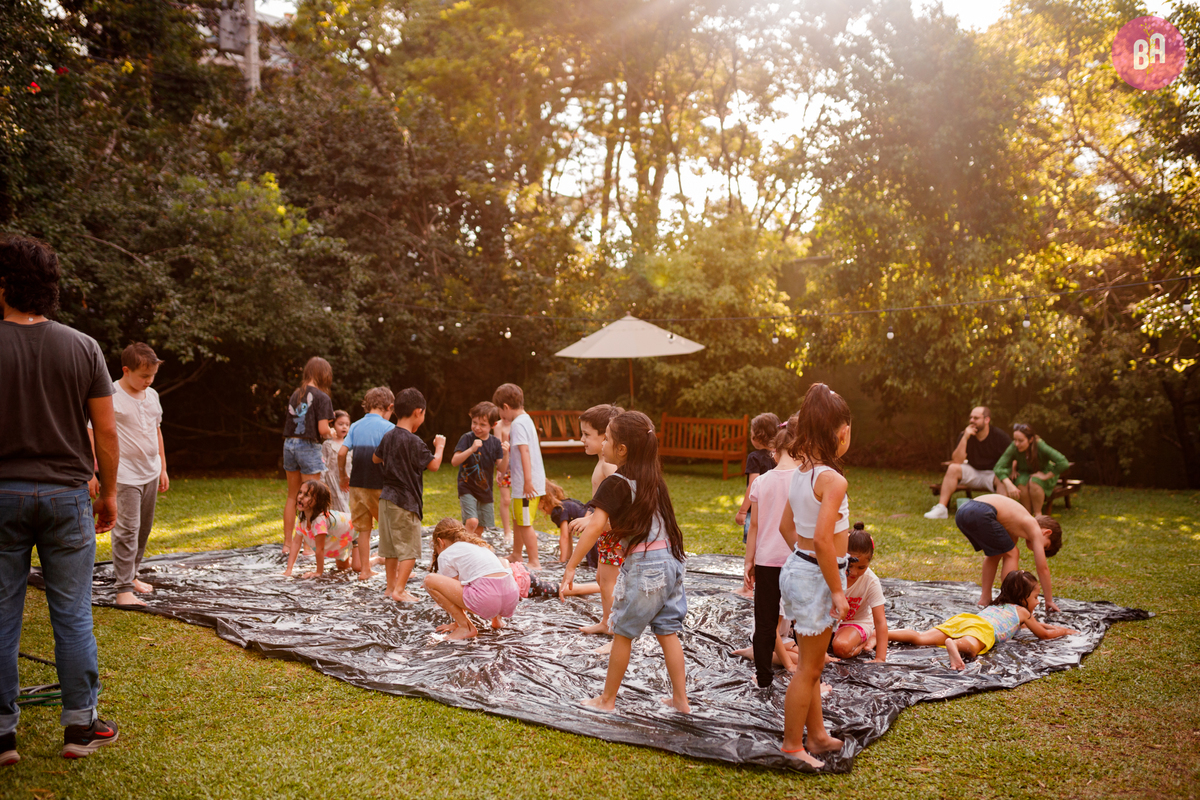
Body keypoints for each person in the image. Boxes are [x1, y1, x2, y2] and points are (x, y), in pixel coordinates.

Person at [0, 234, 119, 762]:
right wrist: (109, 492)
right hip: (69, 495)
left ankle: (3, 735)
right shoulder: (83, 346)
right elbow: (108, 433)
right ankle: (80, 728)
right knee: (72, 614)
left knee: (2, 615)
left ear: (4, 284)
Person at [560, 411, 691, 714]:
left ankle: (606, 701)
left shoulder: (615, 481)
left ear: (622, 450)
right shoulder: (652, 479)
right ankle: (681, 701)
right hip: (671, 561)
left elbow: (595, 527)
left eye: (607, 437)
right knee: (667, 631)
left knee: (622, 633)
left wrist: (570, 567)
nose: (603, 443)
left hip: (646, 567)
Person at [776, 383, 854, 769]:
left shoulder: (801, 474)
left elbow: (786, 528)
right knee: (808, 668)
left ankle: (818, 735)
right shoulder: (833, 480)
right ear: (841, 432)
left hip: (799, 568)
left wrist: (803, 561)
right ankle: (793, 745)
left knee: (813, 660)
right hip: (817, 576)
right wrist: (836, 589)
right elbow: (824, 540)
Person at [86, 342, 169, 609]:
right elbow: (92, 433)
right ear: (126, 370)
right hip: (123, 475)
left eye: (152, 376)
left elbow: (156, 432)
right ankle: (122, 590)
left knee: (143, 529)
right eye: (144, 376)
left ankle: (131, 576)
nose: (149, 381)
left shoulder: (152, 395)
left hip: (149, 472)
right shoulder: (109, 394)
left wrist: (163, 467)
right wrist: (92, 471)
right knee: (127, 530)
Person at [887, 570, 1077, 670]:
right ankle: (955, 645)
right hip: (984, 629)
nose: (1037, 601)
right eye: (1035, 597)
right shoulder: (1022, 613)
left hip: (965, 620)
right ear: (1022, 599)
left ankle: (883, 633)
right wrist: (1065, 631)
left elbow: (1038, 625)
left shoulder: (998, 606)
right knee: (972, 648)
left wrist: (1050, 624)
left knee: (920, 638)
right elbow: (1043, 634)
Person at [741, 413, 799, 687]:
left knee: (764, 623)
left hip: (766, 562)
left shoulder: (761, 482)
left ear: (774, 452)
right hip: (798, 560)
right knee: (804, 618)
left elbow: (754, 527)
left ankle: (763, 677)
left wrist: (748, 561)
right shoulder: (806, 480)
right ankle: (807, 674)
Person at [372, 388, 445, 603]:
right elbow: (434, 465)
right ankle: (400, 590)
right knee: (409, 549)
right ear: (418, 412)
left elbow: (376, 459)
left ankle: (390, 588)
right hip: (405, 502)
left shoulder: (389, 436)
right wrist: (439, 447)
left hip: (386, 500)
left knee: (391, 549)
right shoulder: (414, 441)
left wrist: (391, 459)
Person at [566, 403, 624, 638]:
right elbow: (602, 501)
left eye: (587, 434)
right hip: (606, 532)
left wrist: (592, 523)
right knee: (602, 578)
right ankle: (606, 621)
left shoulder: (610, 465)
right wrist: (590, 517)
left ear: (605, 436)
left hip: (614, 532)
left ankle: (614, 627)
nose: (582, 439)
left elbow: (620, 503)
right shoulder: (602, 461)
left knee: (610, 581)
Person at [955, 493, 1063, 611]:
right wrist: (1049, 600)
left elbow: (996, 555)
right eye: (1045, 546)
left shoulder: (1014, 524)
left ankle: (985, 599)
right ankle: (1010, 601)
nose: (1039, 549)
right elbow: (1043, 569)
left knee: (996, 554)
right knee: (1013, 553)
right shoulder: (1034, 528)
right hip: (981, 512)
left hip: (963, 510)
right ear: (1047, 532)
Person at [423, 518, 521, 641]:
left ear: (440, 542)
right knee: (497, 569)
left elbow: (453, 594)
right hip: (511, 598)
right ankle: (497, 620)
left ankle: (465, 627)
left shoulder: (446, 554)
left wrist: (436, 584)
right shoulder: (477, 546)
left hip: (488, 600)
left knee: (429, 580)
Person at [340, 387, 395, 581]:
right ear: (389, 407)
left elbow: (341, 452)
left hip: (356, 485)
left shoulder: (355, 426)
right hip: (379, 485)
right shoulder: (389, 428)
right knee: (388, 530)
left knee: (363, 530)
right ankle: (394, 573)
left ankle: (365, 570)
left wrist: (342, 475)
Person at [282, 357, 335, 554]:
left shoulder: (296, 394)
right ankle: (308, 547)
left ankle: (288, 545)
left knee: (293, 496)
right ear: (324, 375)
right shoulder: (322, 397)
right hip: (307, 446)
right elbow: (322, 429)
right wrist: (332, 432)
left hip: (289, 444)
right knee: (312, 499)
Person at [493, 384, 545, 570]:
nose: (500, 415)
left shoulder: (518, 424)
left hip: (526, 486)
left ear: (506, 406)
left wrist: (528, 482)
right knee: (518, 520)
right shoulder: (526, 419)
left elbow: (524, 452)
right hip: (521, 484)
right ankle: (517, 554)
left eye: (499, 410)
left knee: (525, 523)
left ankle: (534, 561)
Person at [925, 406, 1011, 520]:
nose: (971, 421)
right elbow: (957, 461)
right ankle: (941, 508)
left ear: (987, 420)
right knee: (953, 468)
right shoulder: (965, 434)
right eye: (971, 417)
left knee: (1002, 478)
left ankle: (1000, 515)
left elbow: (1011, 457)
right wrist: (965, 438)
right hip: (973, 471)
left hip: (992, 473)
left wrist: (1012, 471)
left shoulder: (1000, 436)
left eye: (976, 418)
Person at [829, 523, 888, 662]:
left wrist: (880, 658)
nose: (854, 572)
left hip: (855, 623)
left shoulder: (870, 581)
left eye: (862, 567)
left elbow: (880, 621)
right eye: (850, 565)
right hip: (829, 622)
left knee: (840, 648)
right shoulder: (831, 572)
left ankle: (864, 641)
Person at [450, 401, 506, 535]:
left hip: (485, 490)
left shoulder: (495, 443)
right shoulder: (467, 439)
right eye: (474, 422)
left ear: (493, 425)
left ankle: (472, 551)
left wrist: (506, 454)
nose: (477, 427)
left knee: (480, 528)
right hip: (467, 487)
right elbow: (454, 461)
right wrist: (471, 449)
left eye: (482, 424)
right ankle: (463, 547)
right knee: (472, 521)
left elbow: (502, 469)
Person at [283, 480, 355, 578]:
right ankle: (359, 558)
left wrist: (318, 572)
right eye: (300, 492)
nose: (300, 497)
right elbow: (296, 543)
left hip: (356, 530)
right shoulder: (302, 516)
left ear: (318, 501)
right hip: (341, 538)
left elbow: (320, 549)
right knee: (343, 567)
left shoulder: (319, 521)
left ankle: (376, 559)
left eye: (306, 495)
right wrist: (289, 570)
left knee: (358, 567)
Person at [995, 423, 1069, 516]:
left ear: (1030, 440)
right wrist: (1008, 483)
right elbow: (999, 466)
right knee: (1021, 481)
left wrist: (1046, 476)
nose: (1017, 444)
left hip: (1043, 473)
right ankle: (1027, 514)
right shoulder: (1014, 446)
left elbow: (1063, 462)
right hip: (1025, 473)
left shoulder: (1040, 445)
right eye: (1015, 440)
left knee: (1034, 482)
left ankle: (1038, 514)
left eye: (1021, 441)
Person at [735, 412, 780, 539]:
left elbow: (753, 486)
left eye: (751, 433)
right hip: (776, 509)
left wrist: (743, 511)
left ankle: (752, 560)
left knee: (753, 543)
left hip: (756, 511)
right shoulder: (782, 456)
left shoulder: (754, 458)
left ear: (758, 437)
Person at [540, 479, 592, 566]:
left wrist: (562, 560)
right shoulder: (565, 504)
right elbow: (568, 535)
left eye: (542, 508)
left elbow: (564, 537)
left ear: (543, 502)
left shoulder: (559, 510)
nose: (543, 512)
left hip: (590, 530)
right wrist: (568, 558)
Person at [321, 410, 351, 514]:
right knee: (339, 510)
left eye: (347, 424)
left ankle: (343, 529)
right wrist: (322, 483)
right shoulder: (328, 444)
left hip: (346, 483)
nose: (344, 427)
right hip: (332, 482)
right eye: (341, 424)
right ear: (332, 425)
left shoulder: (350, 445)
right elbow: (323, 464)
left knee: (344, 506)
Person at [493, 416, 513, 546]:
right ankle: (507, 531)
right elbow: (497, 447)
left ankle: (525, 528)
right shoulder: (498, 426)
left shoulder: (520, 422)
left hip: (518, 467)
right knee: (506, 499)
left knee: (523, 500)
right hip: (504, 466)